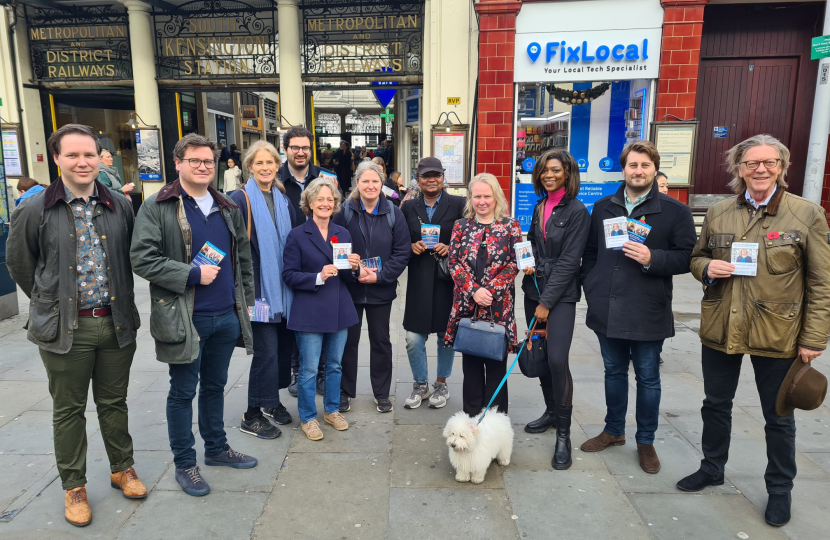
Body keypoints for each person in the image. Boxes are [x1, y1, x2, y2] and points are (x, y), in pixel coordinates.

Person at [678, 134, 830, 527]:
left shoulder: (806, 213)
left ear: (782, 167)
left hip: (777, 331)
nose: (760, 169)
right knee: (715, 405)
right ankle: (712, 468)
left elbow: (821, 282)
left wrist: (814, 338)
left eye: (769, 163)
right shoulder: (720, 212)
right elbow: (698, 258)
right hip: (721, 326)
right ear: (739, 169)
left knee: (779, 416)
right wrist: (706, 269)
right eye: (751, 163)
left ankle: (780, 490)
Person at [6, 124, 145, 526]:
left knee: (114, 402)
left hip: (117, 322)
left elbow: (134, 254)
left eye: (89, 154)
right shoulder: (34, 209)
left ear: (100, 157)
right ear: (57, 159)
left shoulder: (119, 204)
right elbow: (20, 263)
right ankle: (74, 486)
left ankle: (123, 468)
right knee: (68, 410)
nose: (83, 162)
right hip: (66, 329)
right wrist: (50, 301)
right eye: (73, 155)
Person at [130, 133, 257, 497]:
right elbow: (142, 257)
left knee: (215, 386)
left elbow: (242, 258)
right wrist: (190, 274)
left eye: (208, 161)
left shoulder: (227, 206)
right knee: (183, 391)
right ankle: (185, 463)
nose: (203, 167)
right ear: (178, 164)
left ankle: (216, 448)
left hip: (225, 314)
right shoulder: (158, 205)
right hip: (185, 317)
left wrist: (245, 301)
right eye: (194, 161)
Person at [579, 140, 696, 474]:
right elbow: (590, 252)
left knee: (647, 377)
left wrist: (652, 258)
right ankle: (614, 430)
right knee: (613, 372)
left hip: (647, 308)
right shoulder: (603, 207)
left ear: (654, 169)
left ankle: (646, 440)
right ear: (624, 169)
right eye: (633, 165)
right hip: (608, 306)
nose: (639, 171)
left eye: (645, 165)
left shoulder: (675, 212)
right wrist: (592, 282)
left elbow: (688, 257)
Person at [521, 150, 590, 471]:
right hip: (532, 290)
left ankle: (564, 436)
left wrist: (546, 303)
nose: (549, 175)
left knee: (558, 359)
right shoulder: (539, 206)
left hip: (559, 296)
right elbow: (534, 243)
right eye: (545, 170)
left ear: (567, 174)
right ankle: (551, 412)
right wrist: (526, 262)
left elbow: (568, 262)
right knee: (541, 356)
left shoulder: (577, 211)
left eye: (556, 170)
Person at [282, 178, 362, 440]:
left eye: (330, 199)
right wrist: (317, 276)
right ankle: (307, 418)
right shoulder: (297, 235)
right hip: (309, 310)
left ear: (336, 203)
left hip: (339, 309)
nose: (325, 203)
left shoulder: (343, 234)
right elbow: (289, 275)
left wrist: (354, 267)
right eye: (320, 199)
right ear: (310, 203)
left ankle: (331, 410)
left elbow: (349, 278)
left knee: (335, 365)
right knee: (308, 369)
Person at [229, 141, 296, 439]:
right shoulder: (239, 199)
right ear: (249, 167)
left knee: (282, 348)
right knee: (266, 351)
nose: (266, 167)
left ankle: (270, 402)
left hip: (284, 288)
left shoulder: (282, 198)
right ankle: (251, 414)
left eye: (270, 162)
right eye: (259, 163)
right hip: (257, 289)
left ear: (277, 165)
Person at [333, 161, 411, 413]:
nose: (370, 185)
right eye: (365, 181)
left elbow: (402, 252)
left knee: (381, 341)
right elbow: (335, 248)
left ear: (382, 184)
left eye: (375, 181)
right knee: (347, 342)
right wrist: (354, 272)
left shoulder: (393, 213)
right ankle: (344, 392)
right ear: (357, 183)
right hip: (350, 290)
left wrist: (379, 277)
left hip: (381, 290)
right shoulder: (344, 212)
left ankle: (382, 393)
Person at [444, 173, 522, 417]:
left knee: (497, 367)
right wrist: (474, 290)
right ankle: (471, 420)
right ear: (470, 198)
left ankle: (496, 424)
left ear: (496, 197)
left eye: (487, 196)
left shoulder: (511, 226)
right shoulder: (461, 226)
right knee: (472, 367)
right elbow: (454, 261)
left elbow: (514, 263)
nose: (482, 201)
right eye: (477, 196)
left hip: (499, 308)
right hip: (468, 306)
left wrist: (491, 290)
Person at [400, 157, 465, 409]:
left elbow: (468, 240)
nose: (431, 179)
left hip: (446, 280)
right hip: (418, 281)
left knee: (445, 335)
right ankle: (420, 384)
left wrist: (452, 248)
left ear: (443, 177)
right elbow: (399, 242)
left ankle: (441, 383)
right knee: (413, 338)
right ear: (418, 178)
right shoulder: (408, 208)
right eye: (426, 175)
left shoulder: (459, 204)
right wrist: (410, 246)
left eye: (436, 175)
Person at [277, 127, 327, 397]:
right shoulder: (275, 180)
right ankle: (298, 371)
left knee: (318, 317)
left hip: (321, 258)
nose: (300, 152)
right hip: (291, 258)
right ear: (286, 150)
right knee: (294, 318)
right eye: (294, 147)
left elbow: (335, 210)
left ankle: (319, 371)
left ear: (311, 150)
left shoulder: (325, 178)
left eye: (305, 147)